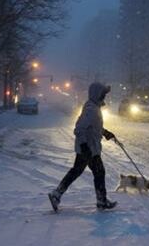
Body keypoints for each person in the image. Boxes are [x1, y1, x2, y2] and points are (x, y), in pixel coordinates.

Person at [48, 82, 117, 211]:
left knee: (78, 171)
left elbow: (93, 127)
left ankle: (56, 195)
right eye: (103, 94)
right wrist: (84, 146)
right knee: (98, 172)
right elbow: (79, 128)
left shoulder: (94, 107)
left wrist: (105, 132)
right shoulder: (91, 109)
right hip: (88, 148)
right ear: (97, 94)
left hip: (90, 147)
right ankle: (101, 201)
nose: (104, 97)